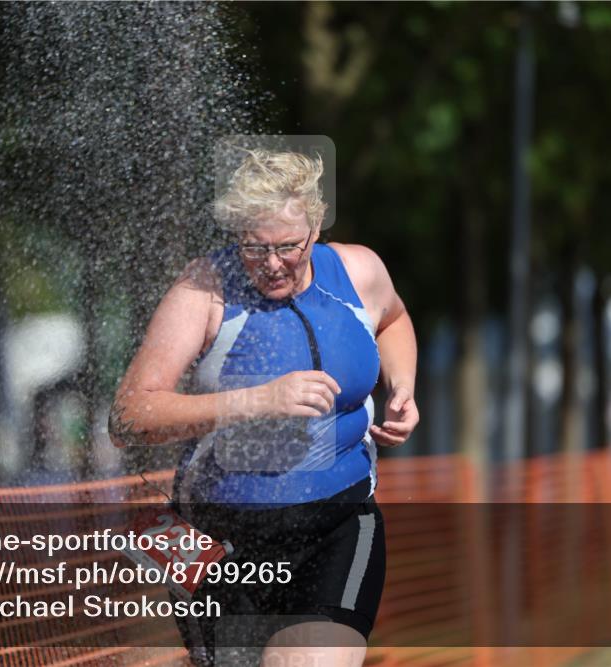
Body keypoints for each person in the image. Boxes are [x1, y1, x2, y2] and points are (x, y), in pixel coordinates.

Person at [109, 149, 418, 666]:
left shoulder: (358, 270)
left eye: (288, 247)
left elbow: (393, 319)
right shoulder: (203, 291)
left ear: (316, 227)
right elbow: (128, 416)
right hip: (219, 540)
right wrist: (257, 399)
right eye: (255, 247)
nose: (272, 264)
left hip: (338, 521)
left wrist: (402, 385)